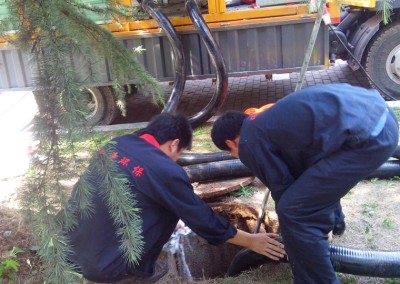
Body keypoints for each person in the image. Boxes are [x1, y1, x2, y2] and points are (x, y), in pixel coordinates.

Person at [211, 83, 399, 283]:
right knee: (309, 187)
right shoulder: (267, 121)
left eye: (231, 153)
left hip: (368, 139)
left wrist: (294, 237)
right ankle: (335, 224)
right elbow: (305, 181)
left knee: (293, 210)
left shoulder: (249, 141)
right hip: (382, 118)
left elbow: (282, 187)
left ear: (231, 143)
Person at [65, 113, 286, 283]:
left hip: (73, 246)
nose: (176, 160)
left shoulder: (115, 144)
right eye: (178, 154)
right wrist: (251, 241)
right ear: (173, 144)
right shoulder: (164, 171)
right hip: (111, 264)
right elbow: (204, 221)